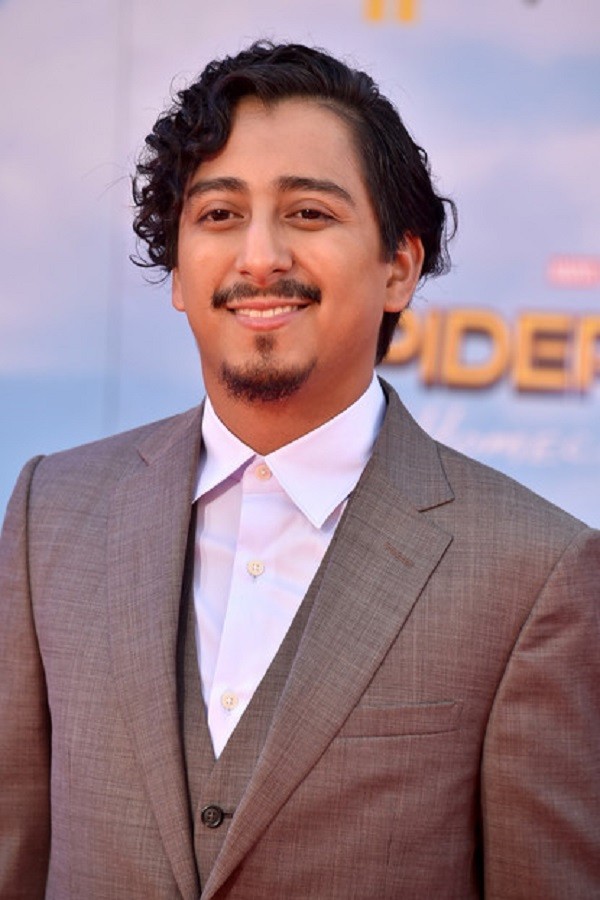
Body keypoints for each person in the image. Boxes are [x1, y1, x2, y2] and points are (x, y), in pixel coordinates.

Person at [0, 41, 598, 900]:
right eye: (218, 214)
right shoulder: (50, 513)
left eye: (309, 213)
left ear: (399, 267)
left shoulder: (536, 573)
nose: (259, 257)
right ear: (177, 271)